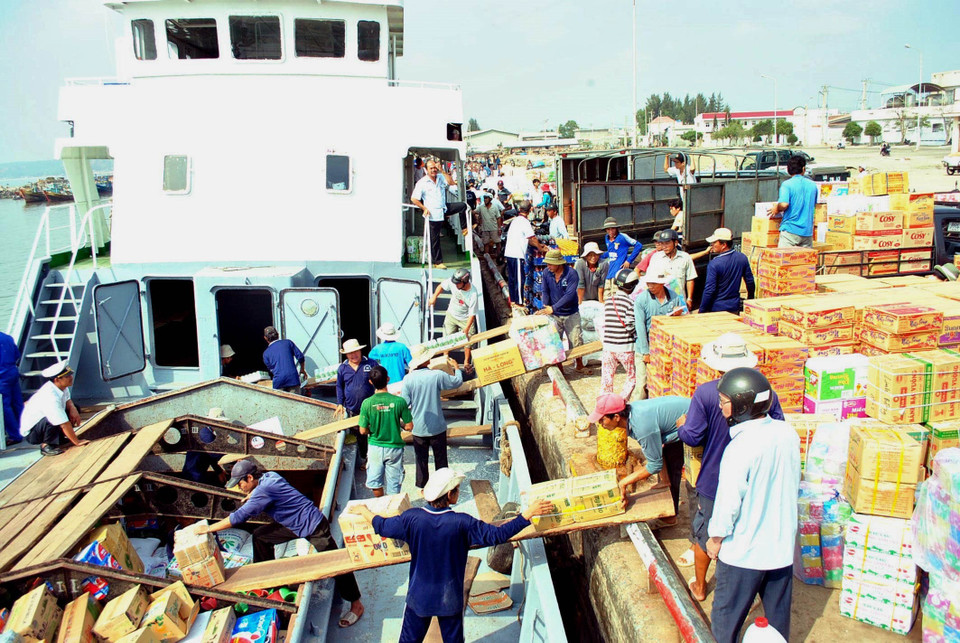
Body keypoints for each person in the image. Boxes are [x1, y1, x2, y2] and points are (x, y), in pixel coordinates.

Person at [349, 468, 553, 643]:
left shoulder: (412, 519)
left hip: (419, 597)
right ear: (449, 496)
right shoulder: (463, 523)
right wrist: (526, 515)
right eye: (456, 490)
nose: (458, 493)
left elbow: (382, 526)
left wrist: (364, 511)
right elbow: (496, 535)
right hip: (450, 599)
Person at [677, 334, 785, 603]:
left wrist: (681, 425)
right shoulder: (765, 394)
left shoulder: (705, 393)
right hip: (758, 478)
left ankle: (700, 586)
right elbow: (778, 428)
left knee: (709, 534)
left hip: (715, 478)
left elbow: (693, 436)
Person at [198, 460, 364, 629]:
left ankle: (356, 604)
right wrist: (252, 495)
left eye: (240, 483)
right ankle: (268, 582)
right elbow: (265, 493)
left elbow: (237, 518)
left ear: (249, 477)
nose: (239, 487)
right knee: (261, 537)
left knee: (336, 563)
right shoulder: (269, 476)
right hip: (294, 524)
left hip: (313, 525)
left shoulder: (262, 491)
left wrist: (207, 529)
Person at [707, 368, 799, 643]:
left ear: (742, 405)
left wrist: (715, 538)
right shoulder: (787, 433)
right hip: (780, 548)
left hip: (745, 552)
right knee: (776, 624)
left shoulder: (740, 447)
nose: (721, 407)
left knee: (725, 623)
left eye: (724, 401)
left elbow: (728, 504)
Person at [589, 394, 689, 519]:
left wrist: (624, 482)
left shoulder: (642, 427)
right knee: (659, 452)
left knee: (677, 466)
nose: (600, 424)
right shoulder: (632, 415)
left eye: (602, 419)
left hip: (692, 422)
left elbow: (655, 466)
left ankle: (672, 516)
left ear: (616, 417)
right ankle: (666, 484)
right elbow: (656, 449)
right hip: (677, 418)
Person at [402, 356, 463, 488]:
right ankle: (443, 486)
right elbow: (457, 382)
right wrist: (456, 367)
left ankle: (422, 487)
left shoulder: (408, 379)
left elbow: (404, 403)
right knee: (441, 460)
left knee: (421, 460)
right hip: (437, 426)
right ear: (428, 360)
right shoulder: (437, 375)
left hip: (418, 427)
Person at [359, 366, 412, 497]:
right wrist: (397, 423)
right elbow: (409, 426)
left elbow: (362, 430)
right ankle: (393, 509)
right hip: (394, 448)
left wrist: (373, 429)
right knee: (394, 484)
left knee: (375, 482)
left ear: (371, 382)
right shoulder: (399, 401)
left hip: (375, 448)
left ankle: (381, 503)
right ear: (388, 379)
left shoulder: (367, 403)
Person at [634, 273, 686, 399]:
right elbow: (640, 327)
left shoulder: (674, 297)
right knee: (642, 384)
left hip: (665, 348)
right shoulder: (642, 299)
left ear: (662, 283)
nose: (650, 286)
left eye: (654, 283)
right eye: (648, 283)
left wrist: (678, 314)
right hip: (645, 347)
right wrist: (646, 352)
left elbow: (680, 321)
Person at [19, 361, 87, 456]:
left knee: (74, 407)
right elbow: (63, 423)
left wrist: (73, 408)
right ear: (57, 379)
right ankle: (46, 446)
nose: (71, 378)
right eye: (67, 377)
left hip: (41, 425)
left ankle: (60, 439)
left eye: (70, 375)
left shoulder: (61, 387)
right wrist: (77, 442)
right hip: (33, 433)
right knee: (52, 419)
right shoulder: (51, 396)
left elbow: (67, 399)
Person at [411, 160, 468, 269]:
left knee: (462, 206)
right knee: (435, 239)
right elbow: (414, 199)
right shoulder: (422, 183)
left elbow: (451, 183)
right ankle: (438, 262)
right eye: (431, 168)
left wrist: (442, 170)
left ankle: (464, 228)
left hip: (443, 209)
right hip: (432, 213)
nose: (433, 170)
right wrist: (424, 208)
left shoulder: (441, 177)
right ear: (426, 170)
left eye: (435, 168)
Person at [536, 249, 586, 372]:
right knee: (555, 342)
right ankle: (560, 368)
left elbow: (569, 295)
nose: (548, 266)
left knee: (576, 340)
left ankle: (579, 365)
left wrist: (553, 308)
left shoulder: (572, 274)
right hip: (555, 315)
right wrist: (545, 307)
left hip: (571, 313)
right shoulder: (547, 273)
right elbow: (545, 291)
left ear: (559, 263)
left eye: (550, 264)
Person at [335, 339, 379, 470]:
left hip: (371, 407)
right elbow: (339, 386)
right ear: (346, 355)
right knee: (360, 436)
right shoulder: (342, 368)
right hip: (352, 408)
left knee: (374, 433)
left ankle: (376, 459)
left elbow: (379, 381)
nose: (353, 355)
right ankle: (365, 459)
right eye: (350, 354)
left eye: (355, 352)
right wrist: (339, 403)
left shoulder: (370, 364)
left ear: (360, 350)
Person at [599, 269, 639, 400]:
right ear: (632, 286)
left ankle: (605, 404)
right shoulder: (631, 303)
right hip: (625, 349)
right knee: (632, 377)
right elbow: (630, 325)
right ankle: (621, 402)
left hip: (608, 348)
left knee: (607, 379)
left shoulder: (609, 301)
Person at [698, 228, 755, 314]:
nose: (711, 245)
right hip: (734, 307)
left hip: (716, 309)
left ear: (724, 245)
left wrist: (702, 310)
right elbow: (750, 282)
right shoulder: (742, 258)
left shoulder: (714, 264)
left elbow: (709, 290)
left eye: (714, 243)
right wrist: (750, 300)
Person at [428, 269, 478, 367]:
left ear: (465, 282)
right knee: (447, 338)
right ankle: (445, 358)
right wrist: (434, 297)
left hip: (465, 318)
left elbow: (472, 313)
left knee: (468, 341)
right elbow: (441, 286)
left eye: (458, 283)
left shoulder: (473, 294)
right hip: (451, 315)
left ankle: (466, 362)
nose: (455, 285)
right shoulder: (453, 283)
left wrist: (466, 329)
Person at [504, 201, 549, 306]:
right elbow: (532, 239)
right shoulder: (524, 222)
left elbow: (528, 239)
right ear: (529, 211)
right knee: (519, 279)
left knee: (512, 278)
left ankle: (513, 300)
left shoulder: (515, 220)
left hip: (510, 253)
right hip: (517, 254)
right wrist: (541, 249)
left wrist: (539, 245)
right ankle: (519, 302)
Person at [768, 156, 817, 248]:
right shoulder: (813, 185)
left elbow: (784, 204)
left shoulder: (787, 185)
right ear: (803, 169)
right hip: (807, 232)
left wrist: (776, 208)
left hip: (790, 231)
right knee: (804, 261)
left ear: (788, 169)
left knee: (785, 260)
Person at [645, 229, 697, 310]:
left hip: (679, 301)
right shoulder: (656, 257)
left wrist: (689, 299)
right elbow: (649, 279)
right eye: (662, 243)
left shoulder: (685, 257)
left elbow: (690, 279)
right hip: (661, 302)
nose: (664, 247)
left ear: (675, 243)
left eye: (667, 243)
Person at [262, 326, 307, 393]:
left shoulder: (266, 353)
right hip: (293, 379)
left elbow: (271, 368)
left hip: (279, 382)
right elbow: (300, 357)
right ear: (278, 335)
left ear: (265, 338)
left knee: (280, 403)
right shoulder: (288, 343)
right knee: (295, 402)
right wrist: (302, 370)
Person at [602, 217, 642, 288]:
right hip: (610, 272)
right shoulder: (606, 238)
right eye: (608, 229)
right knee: (607, 295)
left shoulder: (622, 237)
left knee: (617, 293)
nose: (610, 231)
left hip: (619, 272)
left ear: (616, 228)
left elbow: (638, 245)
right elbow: (611, 252)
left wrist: (628, 260)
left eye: (613, 228)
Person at [0, 331, 24, 446]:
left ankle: (15, 435)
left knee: (4, 407)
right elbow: (17, 354)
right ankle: (25, 428)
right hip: (12, 372)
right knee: (17, 403)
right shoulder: (7, 337)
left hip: (1, 377)